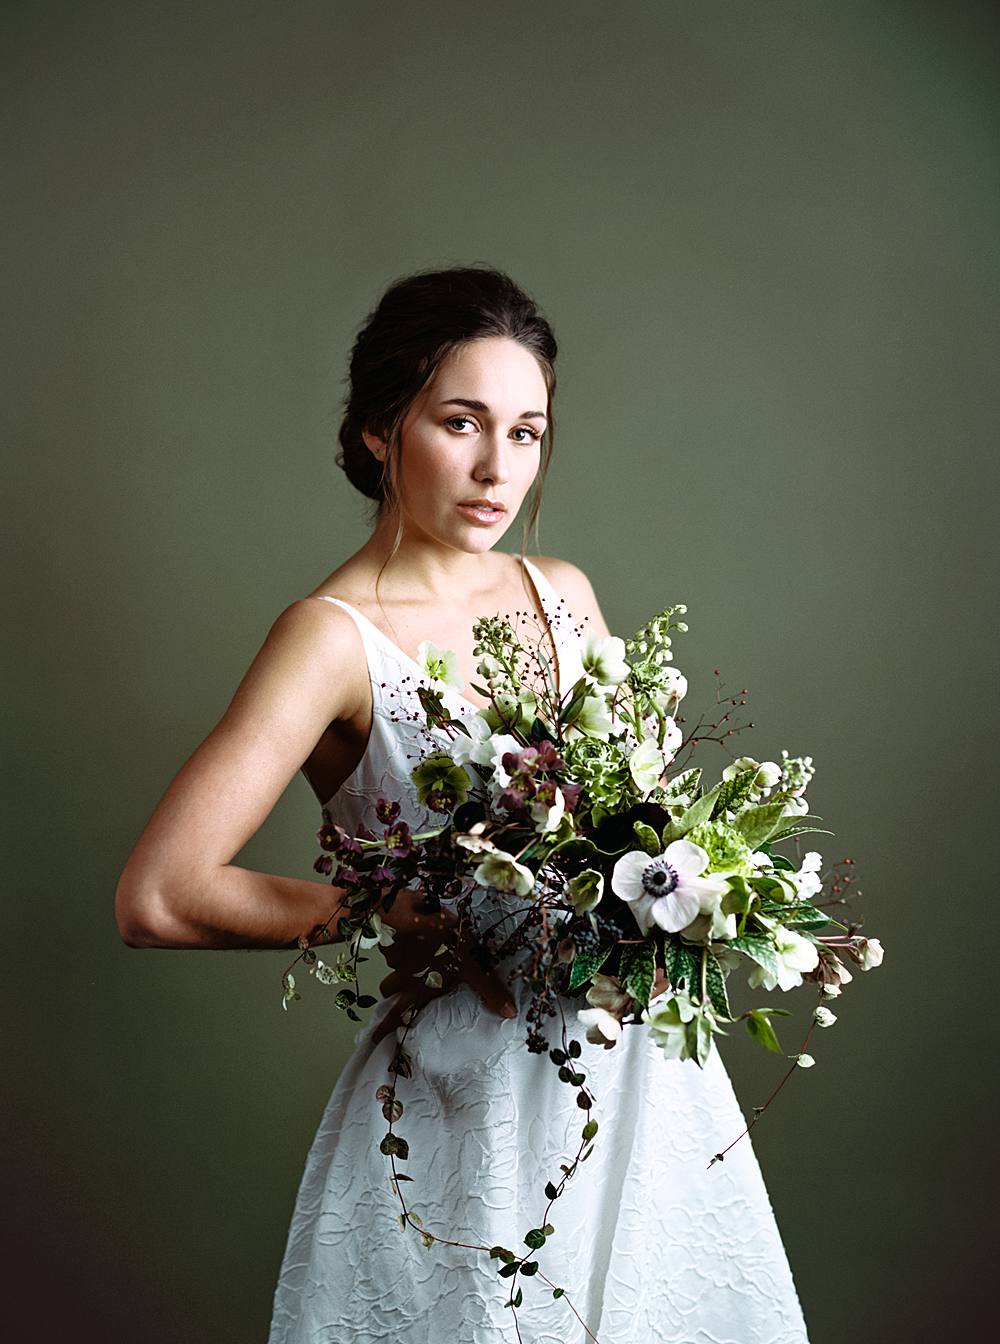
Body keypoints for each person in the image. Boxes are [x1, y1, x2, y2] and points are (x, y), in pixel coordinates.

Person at [115, 264, 810, 1343]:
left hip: (641, 1092)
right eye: (460, 422)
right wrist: (388, 918)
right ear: (377, 434)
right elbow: (159, 894)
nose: (499, 470)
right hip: (461, 1107)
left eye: (527, 433)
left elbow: (634, 841)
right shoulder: (329, 636)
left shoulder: (562, 592)